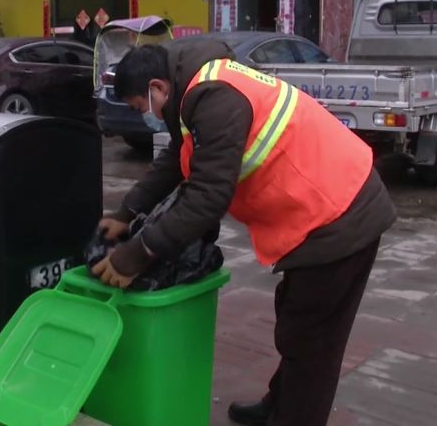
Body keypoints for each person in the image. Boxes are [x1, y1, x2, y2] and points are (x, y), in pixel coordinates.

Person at [91, 37, 397, 426]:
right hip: (318, 208)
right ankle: (280, 404)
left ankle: (295, 417)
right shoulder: (194, 88)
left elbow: (206, 196)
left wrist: (136, 254)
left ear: (157, 87)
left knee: (312, 341)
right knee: (297, 323)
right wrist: (128, 209)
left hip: (339, 214)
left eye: (140, 107)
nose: (144, 116)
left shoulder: (215, 97)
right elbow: (179, 159)